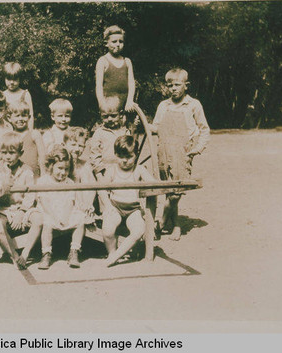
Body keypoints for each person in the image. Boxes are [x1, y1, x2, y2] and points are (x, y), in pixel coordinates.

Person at [149, 68, 210, 240]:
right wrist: (144, 125)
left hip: (182, 153)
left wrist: (197, 149)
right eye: (170, 85)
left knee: (176, 192)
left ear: (186, 86)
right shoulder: (163, 105)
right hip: (164, 152)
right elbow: (156, 128)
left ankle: (160, 222)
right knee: (169, 191)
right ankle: (176, 226)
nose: (173, 88)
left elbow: (204, 129)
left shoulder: (193, 105)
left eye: (177, 85)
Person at [98, 135, 155, 267]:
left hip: (133, 208)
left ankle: (116, 256)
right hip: (115, 206)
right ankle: (111, 252)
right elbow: (101, 189)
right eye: (120, 156)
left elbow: (153, 183)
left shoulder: (139, 169)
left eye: (129, 157)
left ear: (136, 155)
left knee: (139, 230)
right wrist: (107, 206)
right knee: (107, 230)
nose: (124, 160)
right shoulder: (112, 170)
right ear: (115, 155)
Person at [0, 132, 43, 269]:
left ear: (20, 153)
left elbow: (30, 194)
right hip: (5, 208)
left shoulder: (27, 171)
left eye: (12, 153)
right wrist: (4, 184)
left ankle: (25, 253)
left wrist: (22, 211)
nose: (8, 157)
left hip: (23, 208)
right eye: (4, 153)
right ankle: (14, 255)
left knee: (38, 219)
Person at [37, 145, 86, 269]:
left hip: (65, 212)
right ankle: (46, 253)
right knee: (47, 223)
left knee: (80, 219)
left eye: (66, 169)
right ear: (50, 166)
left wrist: (65, 217)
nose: (63, 172)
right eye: (59, 168)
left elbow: (70, 201)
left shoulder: (69, 182)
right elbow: (44, 202)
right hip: (49, 212)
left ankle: (74, 251)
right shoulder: (43, 181)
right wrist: (55, 216)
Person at [95, 25, 135, 113]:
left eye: (121, 41)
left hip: (125, 105)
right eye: (114, 41)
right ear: (106, 43)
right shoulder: (103, 61)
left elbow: (131, 83)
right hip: (109, 106)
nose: (118, 44)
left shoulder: (127, 61)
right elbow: (99, 86)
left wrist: (130, 101)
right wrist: (102, 104)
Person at [89, 96, 129, 178]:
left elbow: (131, 149)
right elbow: (94, 154)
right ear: (101, 116)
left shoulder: (125, 132)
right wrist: (99, 173)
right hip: (105, 171)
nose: (109, 119)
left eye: (113, 116)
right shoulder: (99, 133)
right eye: (105, 116)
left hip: (124, 170)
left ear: (120, 114)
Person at [62, 126, 96, 224]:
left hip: (83, 203)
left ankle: (86, 210)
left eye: (80, 146)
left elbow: (92, 186)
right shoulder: (61, 163)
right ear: (64, 145)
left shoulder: (85, 164)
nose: (77, 149)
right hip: (65, 202)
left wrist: (88, 203)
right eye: (73, 144)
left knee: (85, 172)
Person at [8, 101, 45, 178]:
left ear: (29, 117)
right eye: (17, 116)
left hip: (34, 175)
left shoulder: (34, 134)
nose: (20, 119)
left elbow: (42, 156)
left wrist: (43, 174)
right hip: (15, 175)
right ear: (9, 118)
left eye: (23, 116)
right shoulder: (10, 136)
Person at [2, 62, 35, 129]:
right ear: (5, 78)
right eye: (8, 79)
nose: (11, 82)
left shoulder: (25, 94)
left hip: (22, 130)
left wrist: (29, 133)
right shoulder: (2, 95)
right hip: (6, 130)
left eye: (15, 79)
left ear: (19, 79)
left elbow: (30, 115)